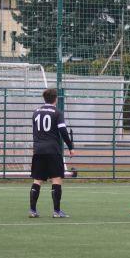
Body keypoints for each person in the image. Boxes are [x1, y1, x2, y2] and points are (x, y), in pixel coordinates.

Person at [29, 87, 74, 219]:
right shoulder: (57, 112)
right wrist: (70, 146)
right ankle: (56, 211)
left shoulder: (36, 112)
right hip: (53, 150)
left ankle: (32, 210)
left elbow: (35, 132)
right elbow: (63, 131)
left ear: (44, 98)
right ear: (56, 99)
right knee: (56, 178)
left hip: (38, 150)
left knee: (37, 180)